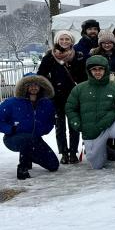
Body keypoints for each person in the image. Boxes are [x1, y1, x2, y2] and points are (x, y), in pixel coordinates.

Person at [65, 56, 115, 171]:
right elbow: (70, 108)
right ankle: (105, 150)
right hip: (92, 131)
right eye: (94, 69)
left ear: (106, 70)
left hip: (110, 125)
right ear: (89, 71)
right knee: (97, 165)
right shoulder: (79, 89)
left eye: (101, 69)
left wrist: (112, 116)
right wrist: (77, 123)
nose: (98, 72)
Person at [37, 30, 86, 164]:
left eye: (67, 39)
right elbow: (41, 75)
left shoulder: (78, 55)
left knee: (74, 125)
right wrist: (48, 88)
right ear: (57, 41)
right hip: (56, 96)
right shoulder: (50, 56)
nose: (64, 42)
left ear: (72, 41)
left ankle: (73, 152)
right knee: (60, 126)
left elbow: (83, 75)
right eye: (62, 39)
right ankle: (63, 152)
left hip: (74, 95)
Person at [1, 74, 59, 179]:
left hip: (35, 139)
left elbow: (51, 121)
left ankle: (29, 156)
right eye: (30, 85)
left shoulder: (47, 104)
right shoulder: (12, 103)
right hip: (13, 138)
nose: (33, 87)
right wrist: (10, 129)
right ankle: (22, 167)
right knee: (27, 139)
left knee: (53, 165)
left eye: (36, 84)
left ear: (41, 86)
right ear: (24, 87)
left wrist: (45, 129)